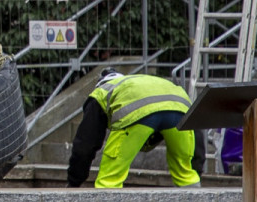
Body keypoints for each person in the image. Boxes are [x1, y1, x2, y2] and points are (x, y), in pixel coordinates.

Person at [66, 68, 203, 189]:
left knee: (110, 179)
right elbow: (196, 133)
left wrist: (74, 182)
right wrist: (197, 166)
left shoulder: (101, 93)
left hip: (137, 111)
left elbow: (85, 143)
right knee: (186, 174)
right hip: (181, 106)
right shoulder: (142, 81)